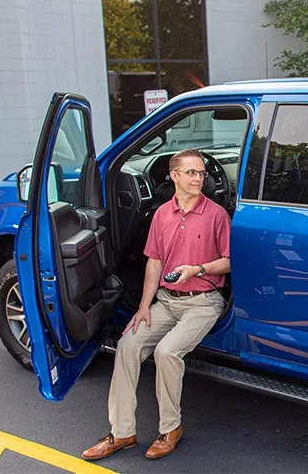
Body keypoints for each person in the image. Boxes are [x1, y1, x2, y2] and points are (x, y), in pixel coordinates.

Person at [82, 149, 231, 461]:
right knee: (127, 345)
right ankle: (122, 432)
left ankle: (170, 429)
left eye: (201, 173)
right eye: (191, 173)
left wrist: (198, 269)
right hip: (166, 300)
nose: (198, 178)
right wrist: (143, 308)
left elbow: (229, 262)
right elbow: (154, 263)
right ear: (174, 176)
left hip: (203, 302)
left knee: (166, 352)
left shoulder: (216, 214)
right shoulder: (162, 214)